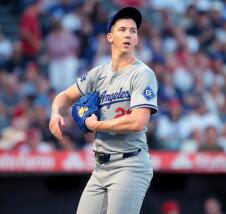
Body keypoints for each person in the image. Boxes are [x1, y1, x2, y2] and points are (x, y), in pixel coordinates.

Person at [49, 7, 158, 214]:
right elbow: (63, 97)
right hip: (101, 167)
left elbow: (137, 122)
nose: (128, 34)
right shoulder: (97, 73)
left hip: (130, 164)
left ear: (137, 40)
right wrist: (55, 112)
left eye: (133, 31)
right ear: (110, 37)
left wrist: (97, 125)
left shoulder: (143, 74)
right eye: (122, 29)